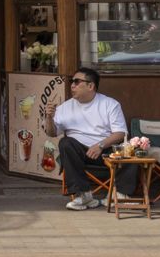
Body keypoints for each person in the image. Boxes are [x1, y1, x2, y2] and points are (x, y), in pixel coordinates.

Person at [43, 68, 136, 211]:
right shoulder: (64, 107)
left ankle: (119, 194)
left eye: (77, 81)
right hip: (79, 153)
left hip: (106, 151)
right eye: (71, 82)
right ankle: (83, 195)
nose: (72, 85)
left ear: (91, 86)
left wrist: (100, 145)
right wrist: (49, 117)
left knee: (133, 147)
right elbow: (52, 133)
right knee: (65, 143)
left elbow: (120, 133)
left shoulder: (109, 104)